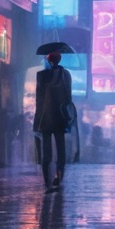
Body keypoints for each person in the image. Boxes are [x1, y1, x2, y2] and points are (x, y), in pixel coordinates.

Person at [33, 51, 72, 191]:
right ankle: (58, 178)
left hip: (45, 117)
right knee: (61, 150)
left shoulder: (42, 75)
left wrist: (37, 120)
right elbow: (68, 98)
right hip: (60, 117)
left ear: (48, 60)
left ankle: (46, 181)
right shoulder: (66, 75)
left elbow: (39, 100)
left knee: (46, 152)